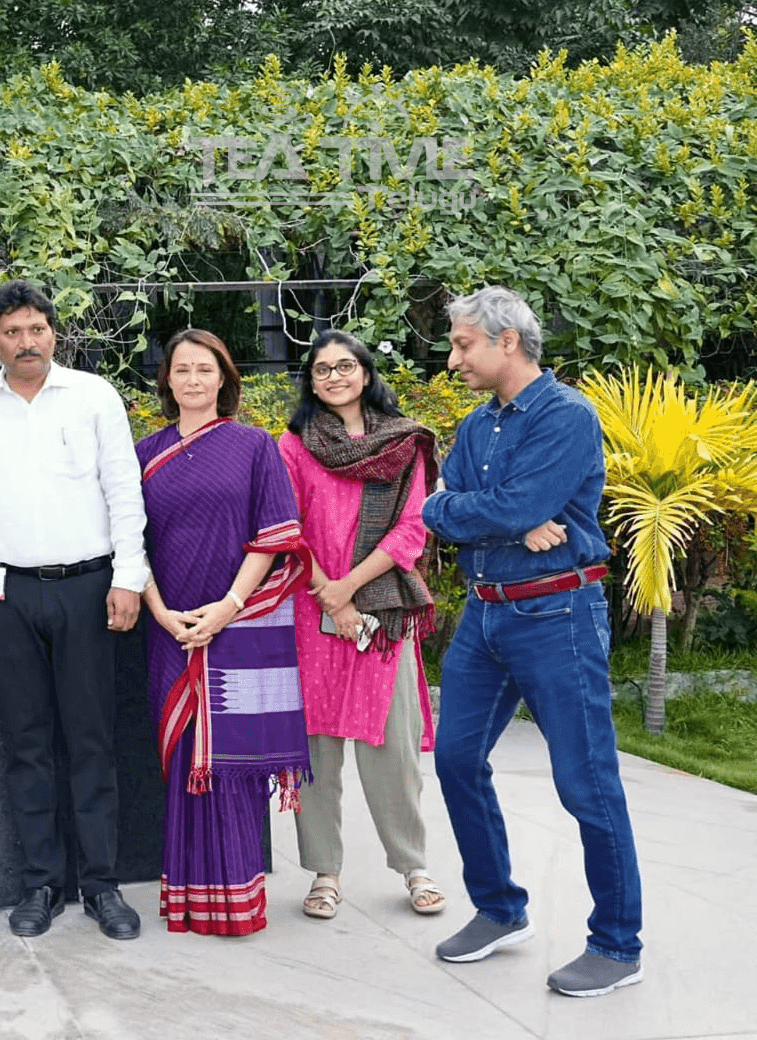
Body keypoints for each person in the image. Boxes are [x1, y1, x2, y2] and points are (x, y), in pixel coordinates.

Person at [423, 286, 642, 997]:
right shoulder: (477, 424)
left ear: (506, 341)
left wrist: (502, 515)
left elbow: (512, 504)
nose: (454, 357)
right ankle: (499, 908)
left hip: (557, 618)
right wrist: (505, 521)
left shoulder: (566, 416)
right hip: (485, 617)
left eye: (463, 344)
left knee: (586, 781)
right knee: (455, 759)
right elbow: (436, 507)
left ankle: (617, 942)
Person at [0, 280, 148, 940]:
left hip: (87, 589)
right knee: (27, 745)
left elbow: (123, 490)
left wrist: (129, 576)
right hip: (3, 594)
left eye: (36, 329)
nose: (26, 342)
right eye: (12, 332)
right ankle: (41, 884)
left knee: (91, 740)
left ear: (54, 332)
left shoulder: (93, 398)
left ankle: (102, 885)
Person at [137, 328, 312, 936]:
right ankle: (187, 901)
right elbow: (128, 544)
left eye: (204, 370)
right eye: (181, 370)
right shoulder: (144, 453)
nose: (192, 380)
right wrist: (161, 611)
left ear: (224, 379)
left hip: (237, 625)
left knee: (229, 762)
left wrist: (228, 608)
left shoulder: (254, 446)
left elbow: (273, 537)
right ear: (167, 380)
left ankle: (237, 899)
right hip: (169, 626)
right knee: (186, 755)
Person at [278, 330, 444, 922]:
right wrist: (331, 598)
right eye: (321, 370)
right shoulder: (294, 444)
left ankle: (414, 864)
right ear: (311, 382)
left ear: (366, 372)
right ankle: (325, 873)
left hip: (382, 611)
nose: (334, 377)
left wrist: (349, 590)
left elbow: (412, 529)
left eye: (344, 365)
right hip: (312, 607)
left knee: (391, 745)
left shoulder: (404, 444)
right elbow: (288, 528)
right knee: (317, 749)